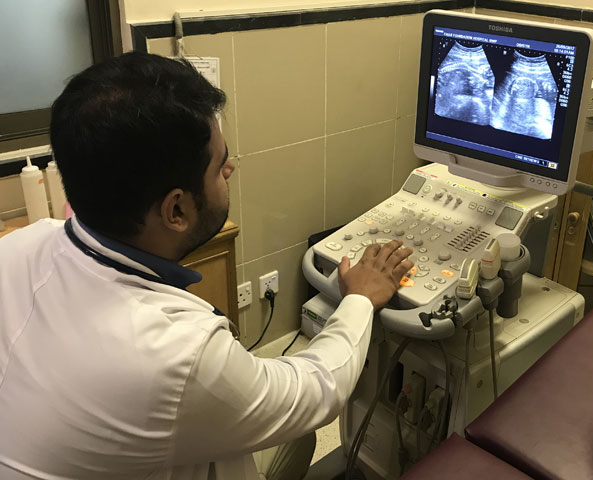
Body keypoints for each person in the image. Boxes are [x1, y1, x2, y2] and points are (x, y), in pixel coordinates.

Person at [0, 52, 413, 480]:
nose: (231, 168)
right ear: (175, 210)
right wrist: (360, 299)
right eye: (219, 165)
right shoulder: (174, 354)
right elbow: (314, 393)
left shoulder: (21, 246)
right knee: (295, 430)